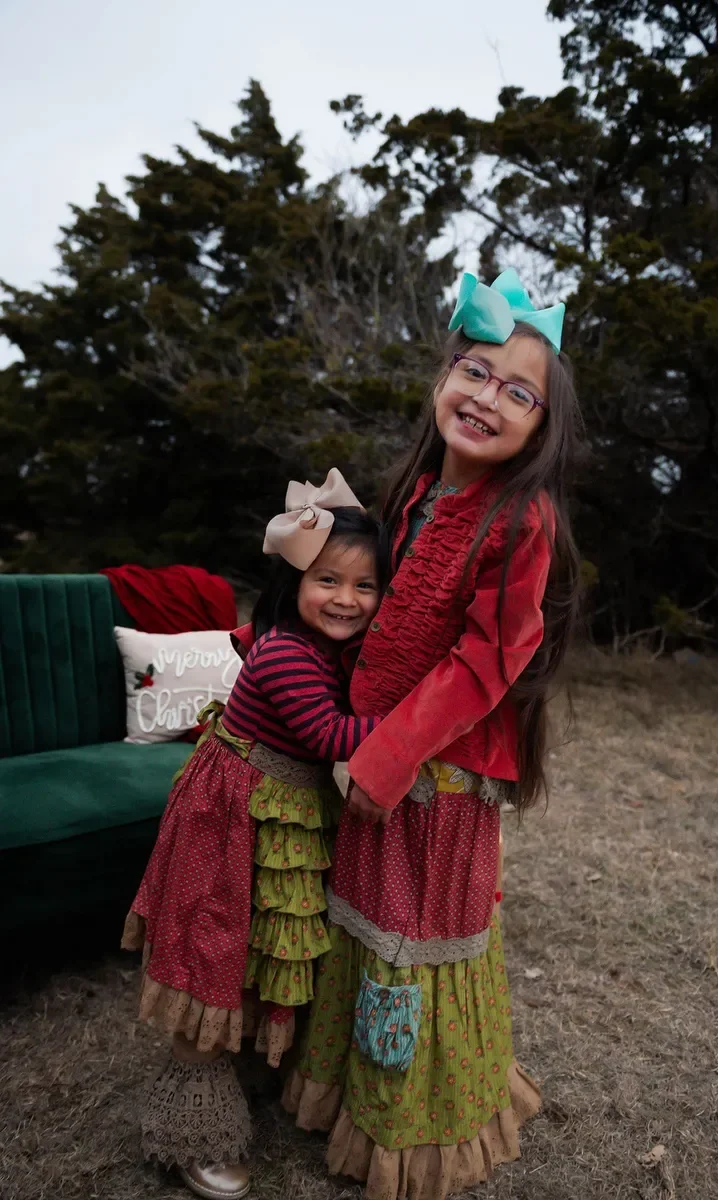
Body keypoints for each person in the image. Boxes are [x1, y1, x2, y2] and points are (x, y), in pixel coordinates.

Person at [283, 270, 583, 1200]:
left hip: (439, 779)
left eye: (519, 392)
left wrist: (385, 756)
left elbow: (489, 658)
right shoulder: (414, 493)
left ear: (542, 428)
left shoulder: (521, 517)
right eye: (476, 372)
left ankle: (414, 1134)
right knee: (368, 926)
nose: (489, 398)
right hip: (374, 757)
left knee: (416, 940)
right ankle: (352, 1093)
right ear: (444, 379)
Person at [122, 472, 385, 1200]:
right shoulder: (285, 653)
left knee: (265, 942)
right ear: (293, 580)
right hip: (232, 813)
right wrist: (420, 724)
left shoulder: (325, 648)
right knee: (215, 946)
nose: (346, 599)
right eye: (328, 580)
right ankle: (192, 1126)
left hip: (283, 811)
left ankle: (246, 1059)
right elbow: (330, 736)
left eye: (365, 586)